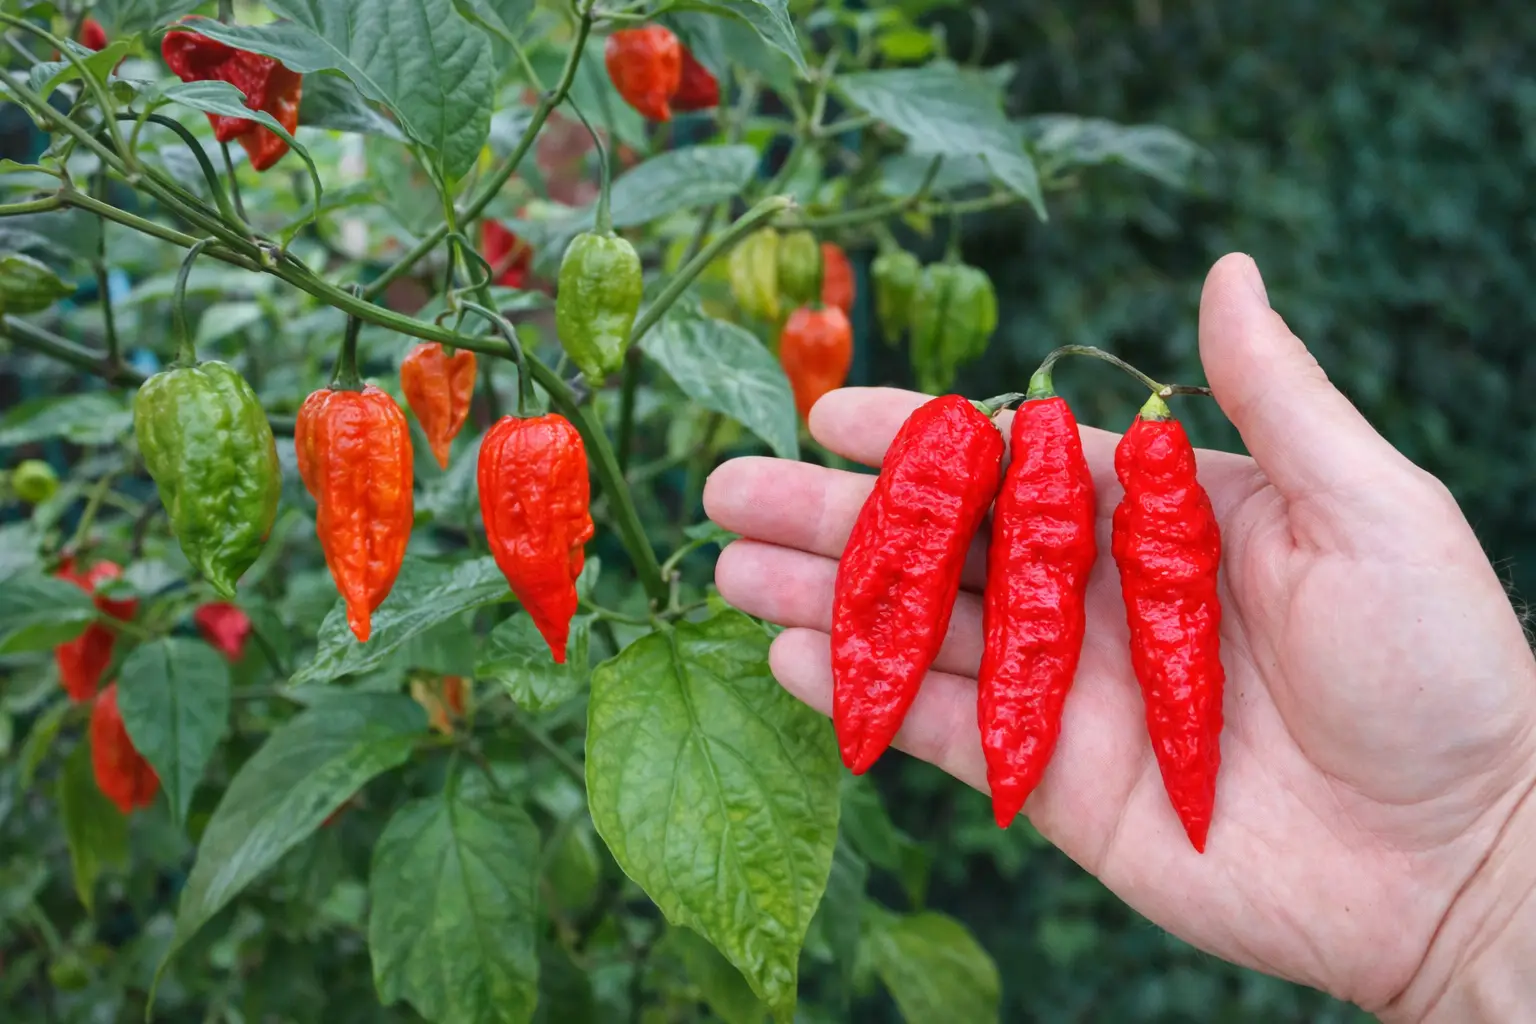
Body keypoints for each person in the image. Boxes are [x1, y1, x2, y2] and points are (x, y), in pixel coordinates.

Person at [703, 254, 1536, 1022]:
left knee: (1066, 595)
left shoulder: (1086, 458)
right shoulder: (1019, 448)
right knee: (991, 584)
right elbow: (927, 585)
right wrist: (1483, 884)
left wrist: (1495, 842)